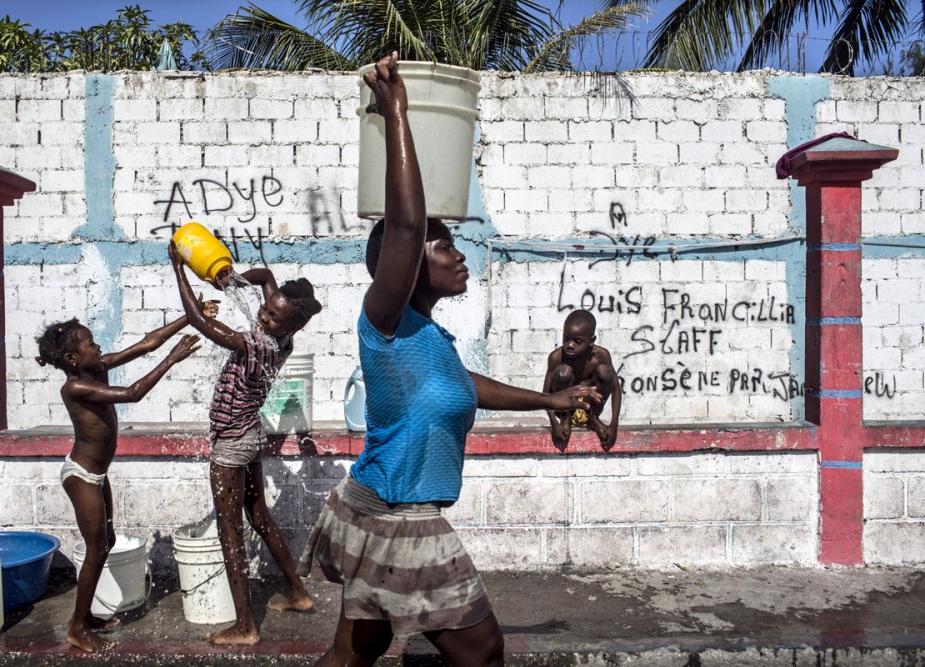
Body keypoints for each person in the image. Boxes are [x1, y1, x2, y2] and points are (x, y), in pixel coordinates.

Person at [298, 52, 601, 667]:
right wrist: (397, 114)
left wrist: (550, 401)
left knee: (357, 652)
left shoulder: (429, 339)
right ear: (409, 266)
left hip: (382, 511)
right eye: (446, 246)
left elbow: (466, 387)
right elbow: (405, 227)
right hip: (397, 519)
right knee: (483, 650)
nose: (459, 255)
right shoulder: (383, 324)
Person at [168, 243, 322, 645]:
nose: (264, 316)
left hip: (232, 444)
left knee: (230, 530)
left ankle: (246, 626)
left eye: (272, 318)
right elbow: (266, 280)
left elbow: (200, 322)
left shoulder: (262, 345)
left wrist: (179, 268)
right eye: (266, 310)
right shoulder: (281, 338)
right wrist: (230, 279)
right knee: (260, 517)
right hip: (249, 435)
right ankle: (298, 594)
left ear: (289, 328)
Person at [35, 308, 213, 653]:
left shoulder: (97, 368)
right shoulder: (76, 387)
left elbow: (146, 344)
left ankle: (85, 617)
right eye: (90, 343)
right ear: (73, 358)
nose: (97, 345)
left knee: (107, 540)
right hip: (81, 476)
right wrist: (171, 360)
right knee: (97, 548)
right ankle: (77, 627)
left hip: (98, 475)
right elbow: (133, 393)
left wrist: (189, 318)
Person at [543, 309, 622, 451]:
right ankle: (566, 419)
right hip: (564, 410)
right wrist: (555, 424)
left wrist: (614, 424)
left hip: (590, 406)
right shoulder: (556, 357)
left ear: (591, 341)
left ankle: (593, 419)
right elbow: (545, 394)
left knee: (605, 372)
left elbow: (616, 389)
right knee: (563, 372)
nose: (570, 345)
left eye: (577, 341)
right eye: (566, 338)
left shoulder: (601, 355)